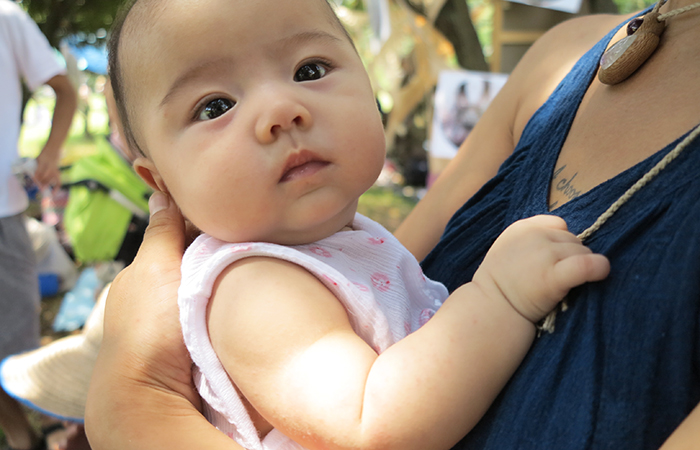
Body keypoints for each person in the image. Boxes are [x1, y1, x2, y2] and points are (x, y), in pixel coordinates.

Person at [85, 0, 700, 448]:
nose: (282, 110)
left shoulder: (343, 247)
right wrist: (498, 298)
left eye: (309, 69)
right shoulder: (252, 287)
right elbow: (371, 420)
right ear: (160, 182)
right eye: (214, 106)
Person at [0, 1, 77, 449]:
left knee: (16, 345)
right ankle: (21, 434)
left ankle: (41, 431)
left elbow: (64, 89)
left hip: (6, 214)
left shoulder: (7, 17)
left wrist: (50, 154)